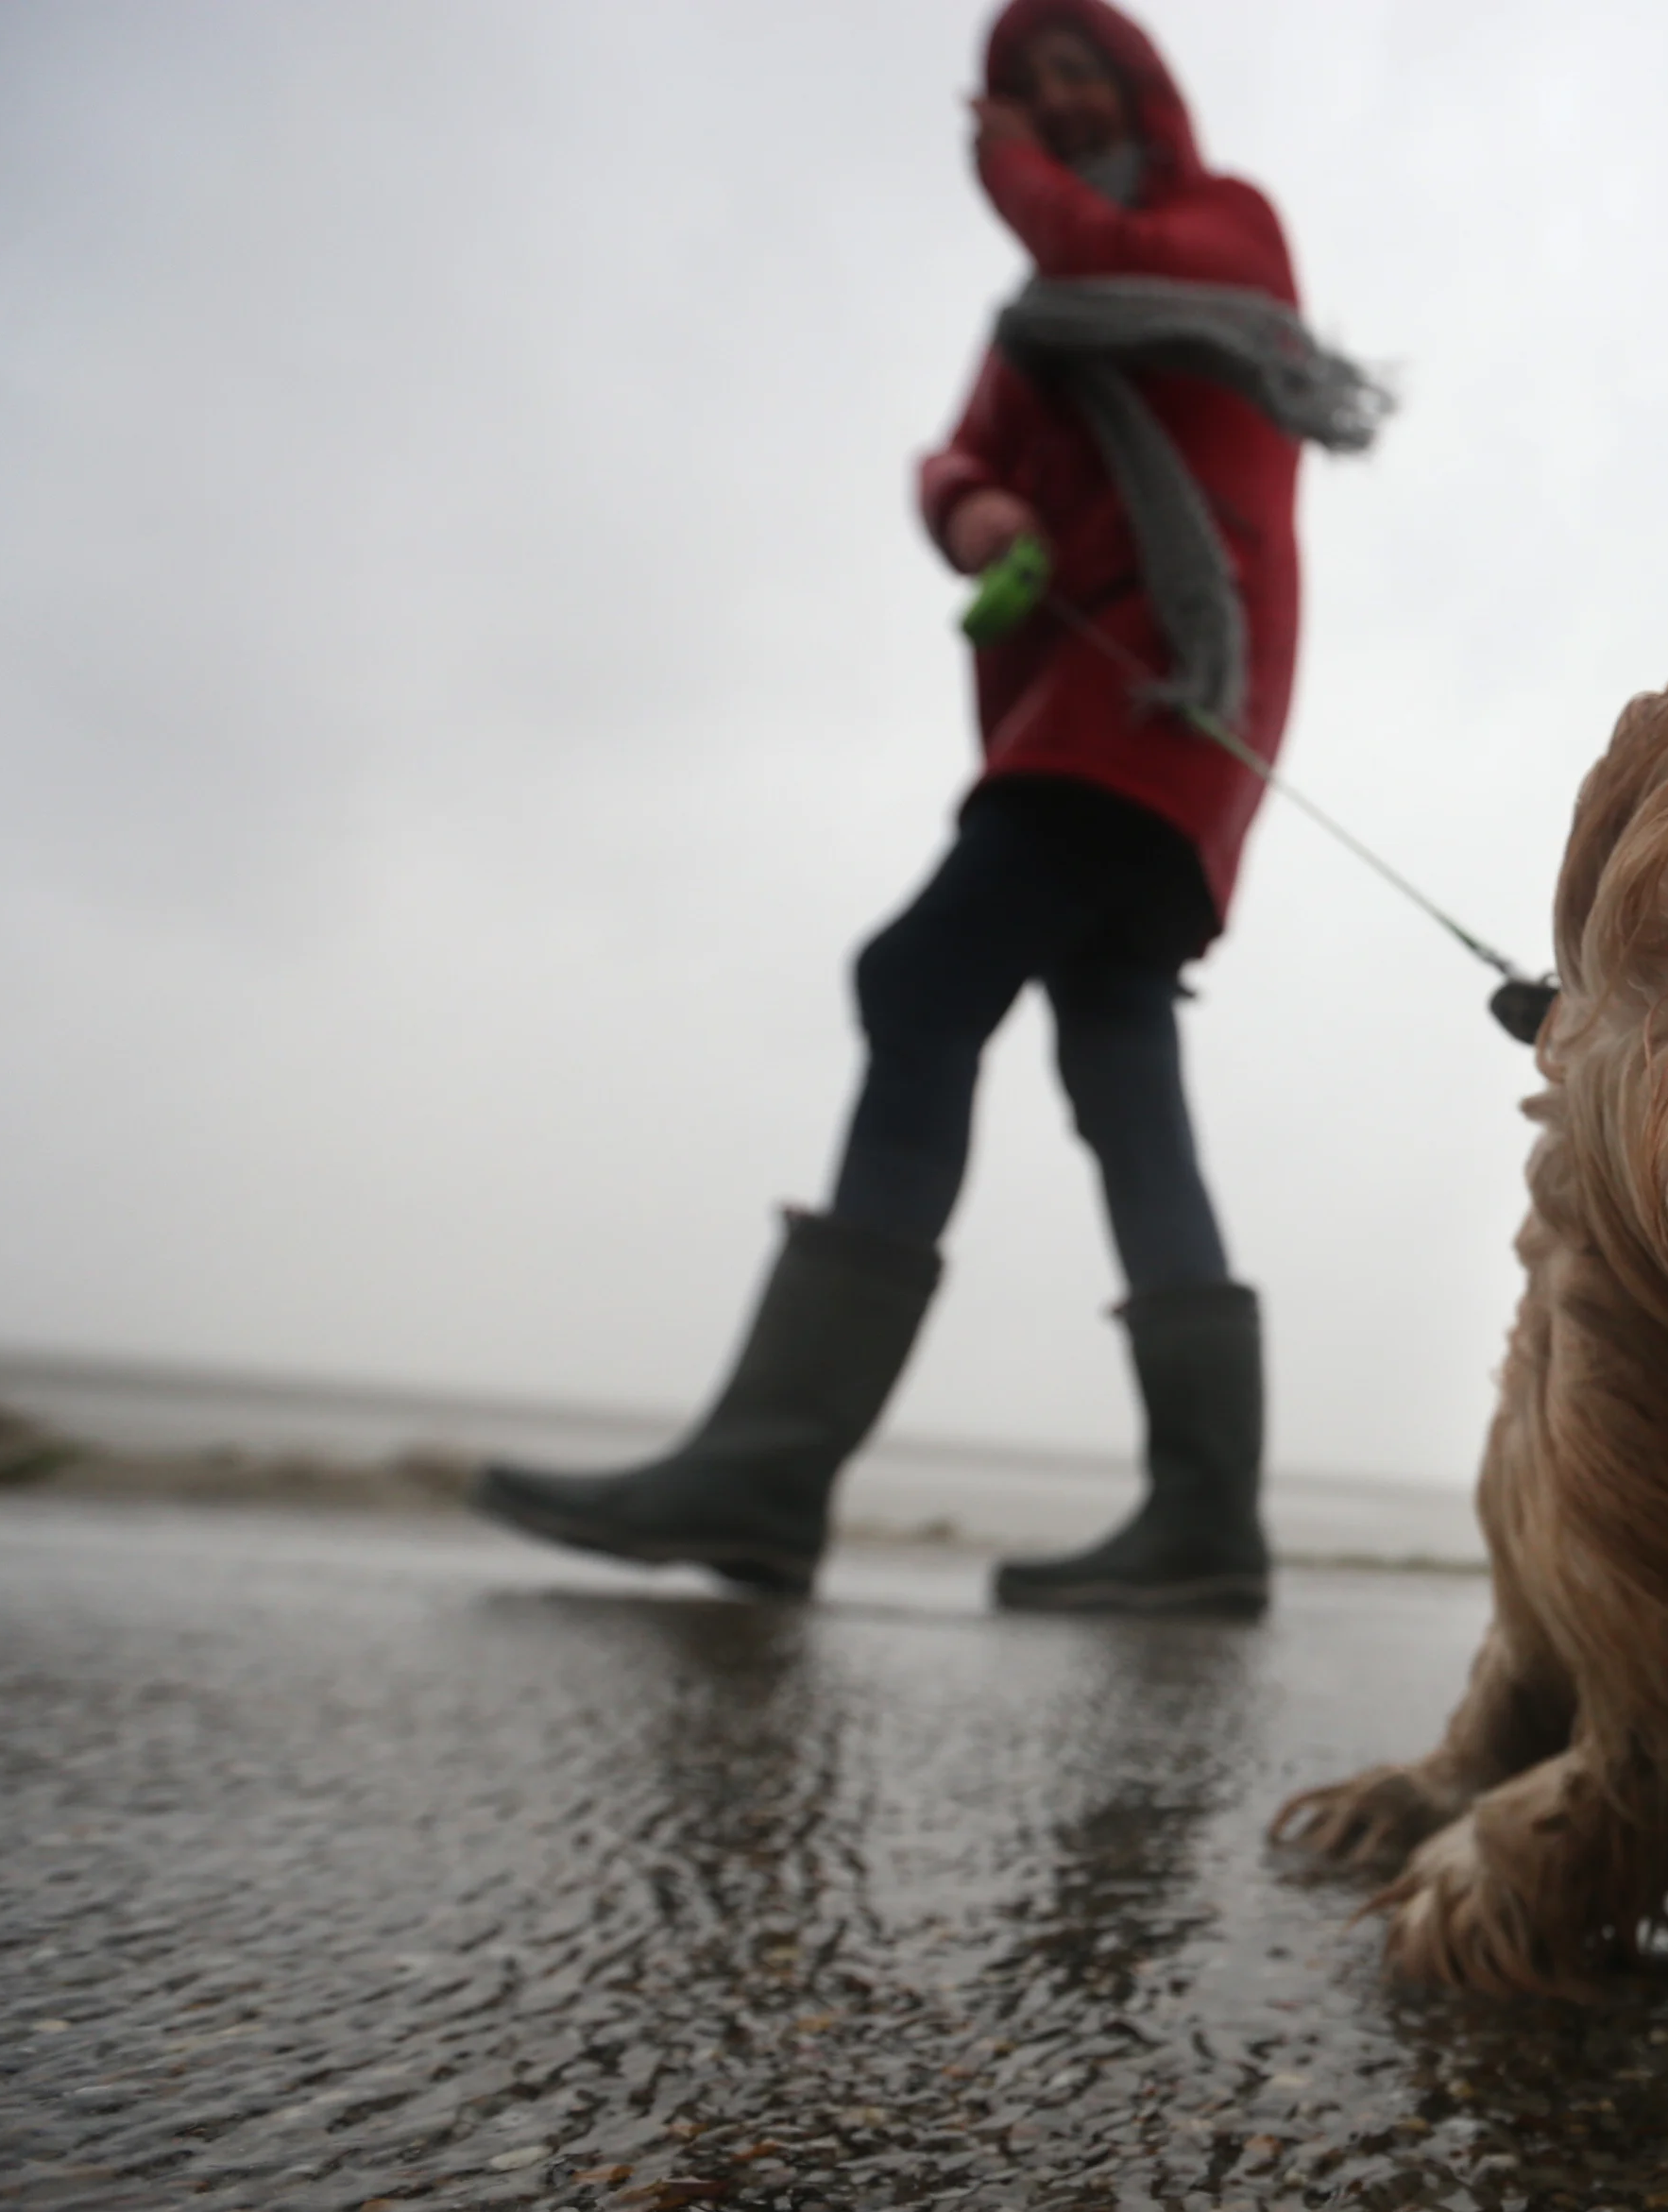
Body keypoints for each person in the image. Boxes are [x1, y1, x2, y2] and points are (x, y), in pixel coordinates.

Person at [475, 0, 1375, 1613]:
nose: (1051, 101)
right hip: (1074, 697)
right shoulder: (1038, 316)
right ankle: (1204, 1527)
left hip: (1164, 697)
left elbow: (1097, 255)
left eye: (1078, 72)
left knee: (922, 979)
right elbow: (951, 453)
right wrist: (974, 512)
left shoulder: (1210, 231)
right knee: (1120, 1067)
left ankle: (768, 1473)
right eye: (1024, 87)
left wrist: (1014, 168)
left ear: (1147, 92)